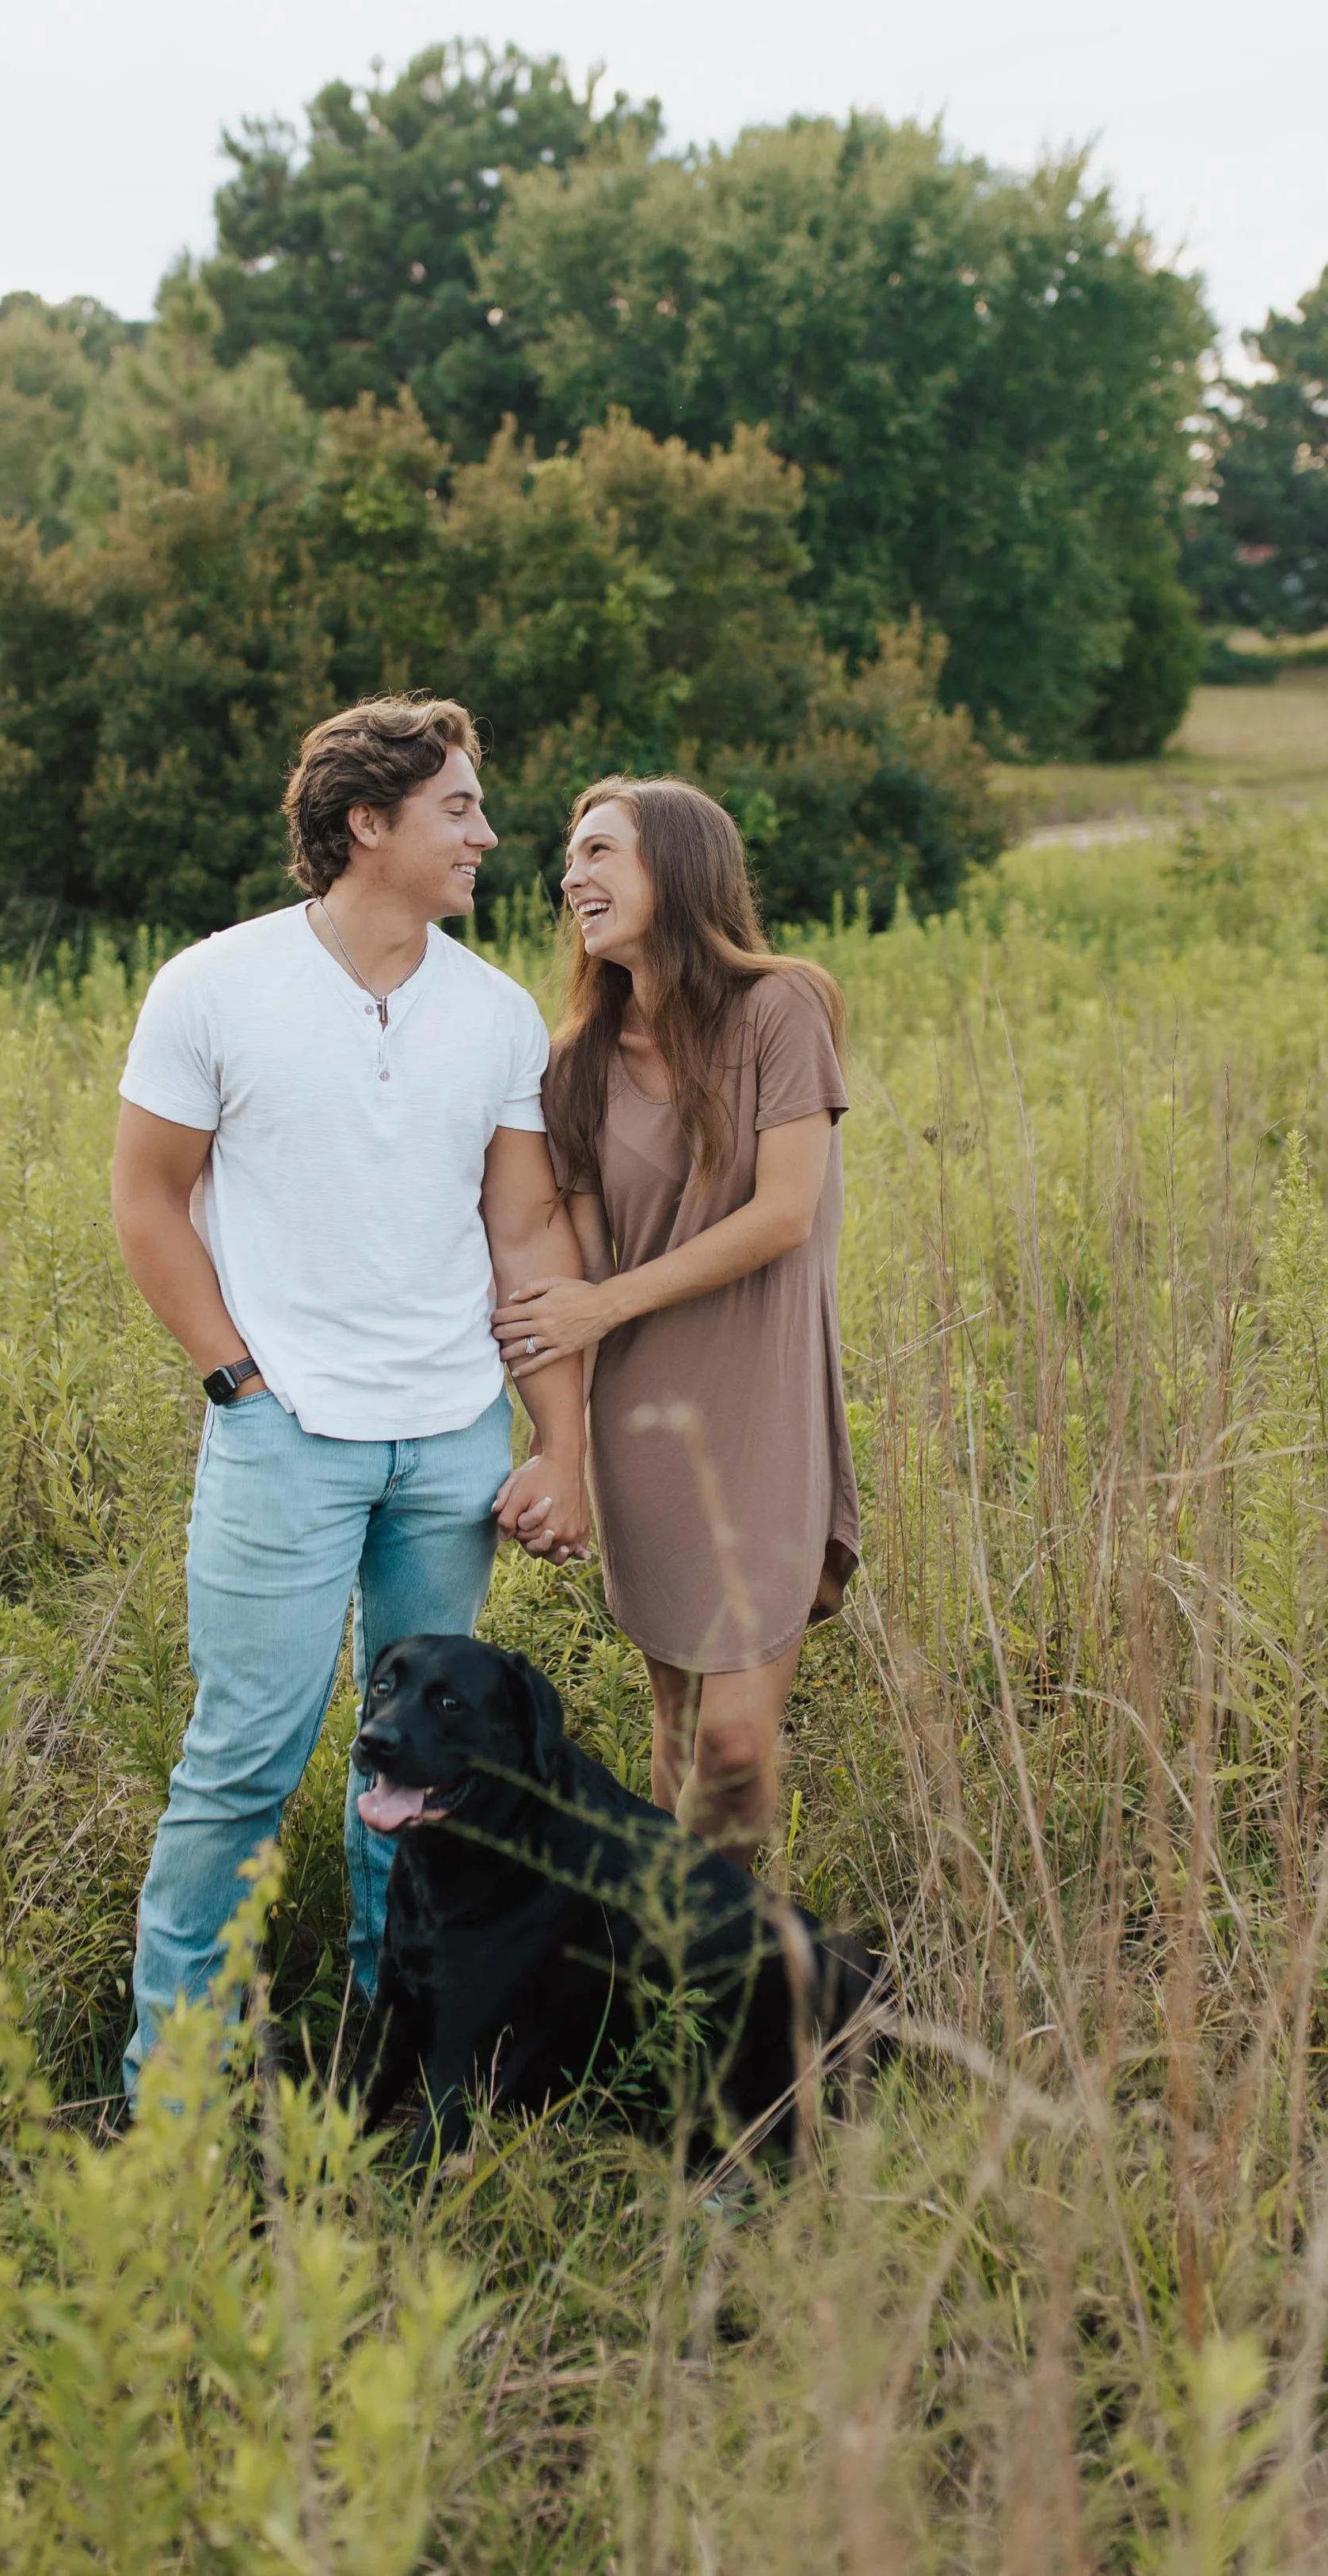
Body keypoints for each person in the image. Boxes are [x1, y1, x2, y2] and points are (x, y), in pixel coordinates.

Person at [112, 695, 591, 2102]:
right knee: (244, 1761)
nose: (488, 835)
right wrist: (238, 1381)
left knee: (425, 1780)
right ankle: (175, 2089)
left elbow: (528, 1237)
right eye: (458, 807)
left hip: (452, 1441)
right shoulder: (214, 986)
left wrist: (557, 1437)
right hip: (284, 1435)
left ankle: (391, 2054)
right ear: (365, 823)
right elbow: (148, 1198)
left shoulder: (496, 1012)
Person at [491, 776, 857, 1873]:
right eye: (571, 857)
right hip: (643, 1421)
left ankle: (728, 1974)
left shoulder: (782, 1008)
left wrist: (603, 1301)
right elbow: (582, 1267)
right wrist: (565, 1449)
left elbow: (785, 1212)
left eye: (601, 851)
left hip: (766, 1408)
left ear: (681, 868)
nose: (573, 877)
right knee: (683, 1729)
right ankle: (688, 1979)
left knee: (740, 1745)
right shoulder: (574, 1065)